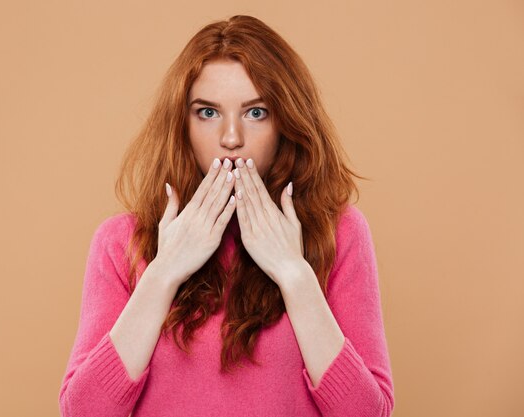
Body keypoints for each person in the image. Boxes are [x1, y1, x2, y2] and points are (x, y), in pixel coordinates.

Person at [58, 14, 394, 417]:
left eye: (255, 113)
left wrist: (294, 274)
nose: (231, 138)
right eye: (208, 112)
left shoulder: (339, 232)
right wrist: (163, 274)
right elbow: (84, 412)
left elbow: (366, 412)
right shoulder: (120, 242)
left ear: (286, 122)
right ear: (182, 125)